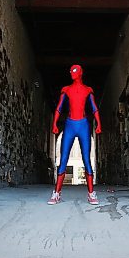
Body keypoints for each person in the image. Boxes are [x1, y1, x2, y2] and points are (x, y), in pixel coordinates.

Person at [48, 64, 102, 205]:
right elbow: (59, 108)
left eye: (74, 70)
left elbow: (94, 107)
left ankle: (91, 193)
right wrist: (54, 123)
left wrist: (99, 124)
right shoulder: (66, 89)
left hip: (83, 125)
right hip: (70, 124)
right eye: (71, 70)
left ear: (80, 73)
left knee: (86, 159)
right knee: (63, 159)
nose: (71, 72)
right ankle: (56, 193)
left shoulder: (87, 90)